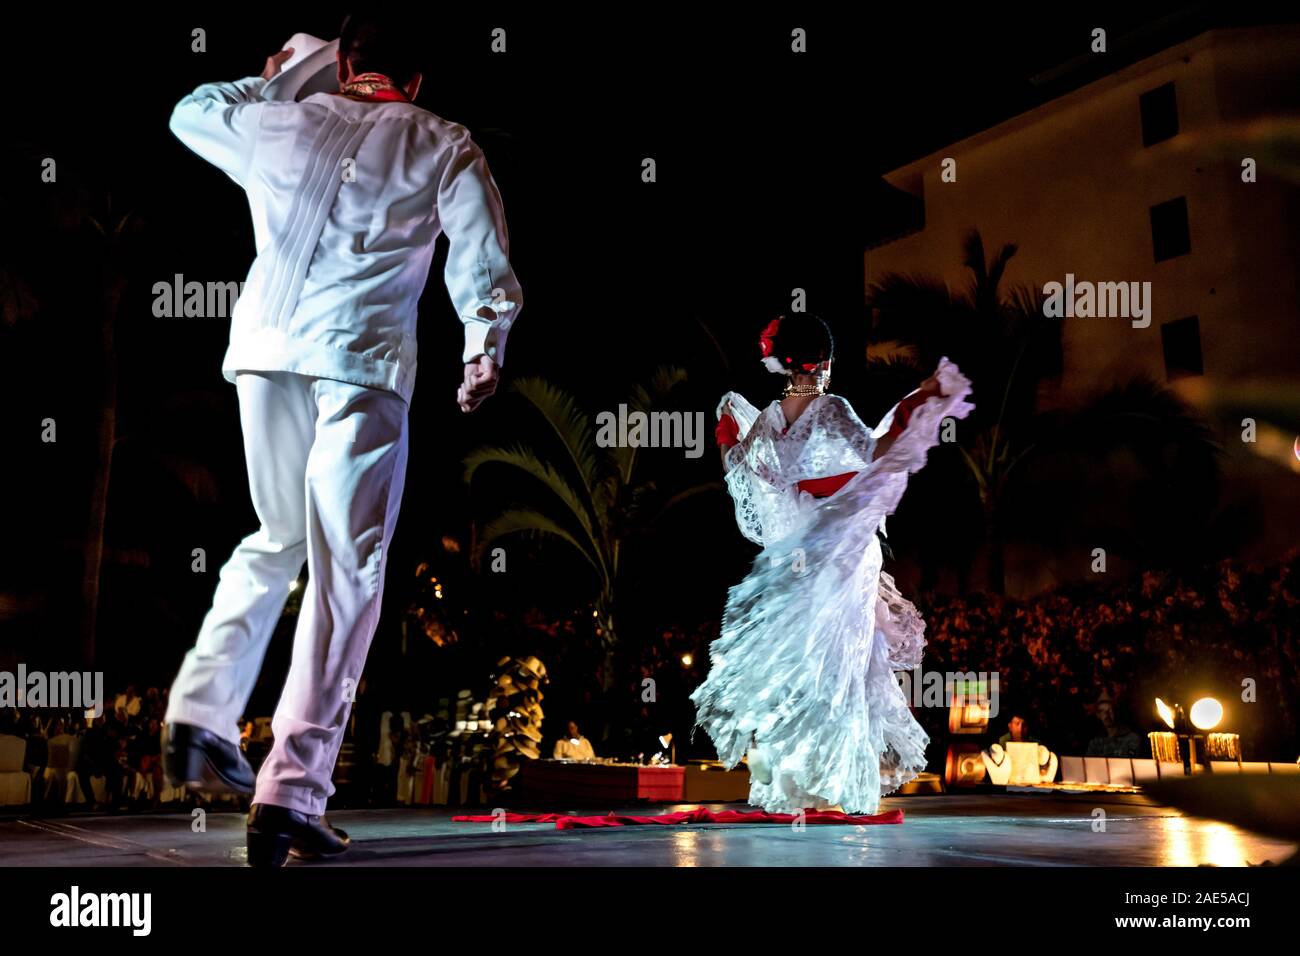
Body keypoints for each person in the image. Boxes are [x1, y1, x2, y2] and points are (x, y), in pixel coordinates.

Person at [161, 13, 522, 866]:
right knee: (347, 570)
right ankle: (292, 792)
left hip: (263, 356)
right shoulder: (441, 138)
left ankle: (199, 711)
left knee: (275, 535)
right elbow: (482, 253)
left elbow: (188, 110)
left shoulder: (279, 120)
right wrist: (483, 344)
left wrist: (294, 70)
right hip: (358, 365)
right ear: (421, 78)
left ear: (347, 61)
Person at [691, 313, 973, 815]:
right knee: (841, 665)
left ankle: (797, 787)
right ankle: (836, 786)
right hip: (837, 551)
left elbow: (742, 471)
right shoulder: (830, 409)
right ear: (823, 362)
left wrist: (729, 437)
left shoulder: (769, 420)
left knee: (804, 666)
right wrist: (915, 406)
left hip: (795, 552)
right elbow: (874, 450)